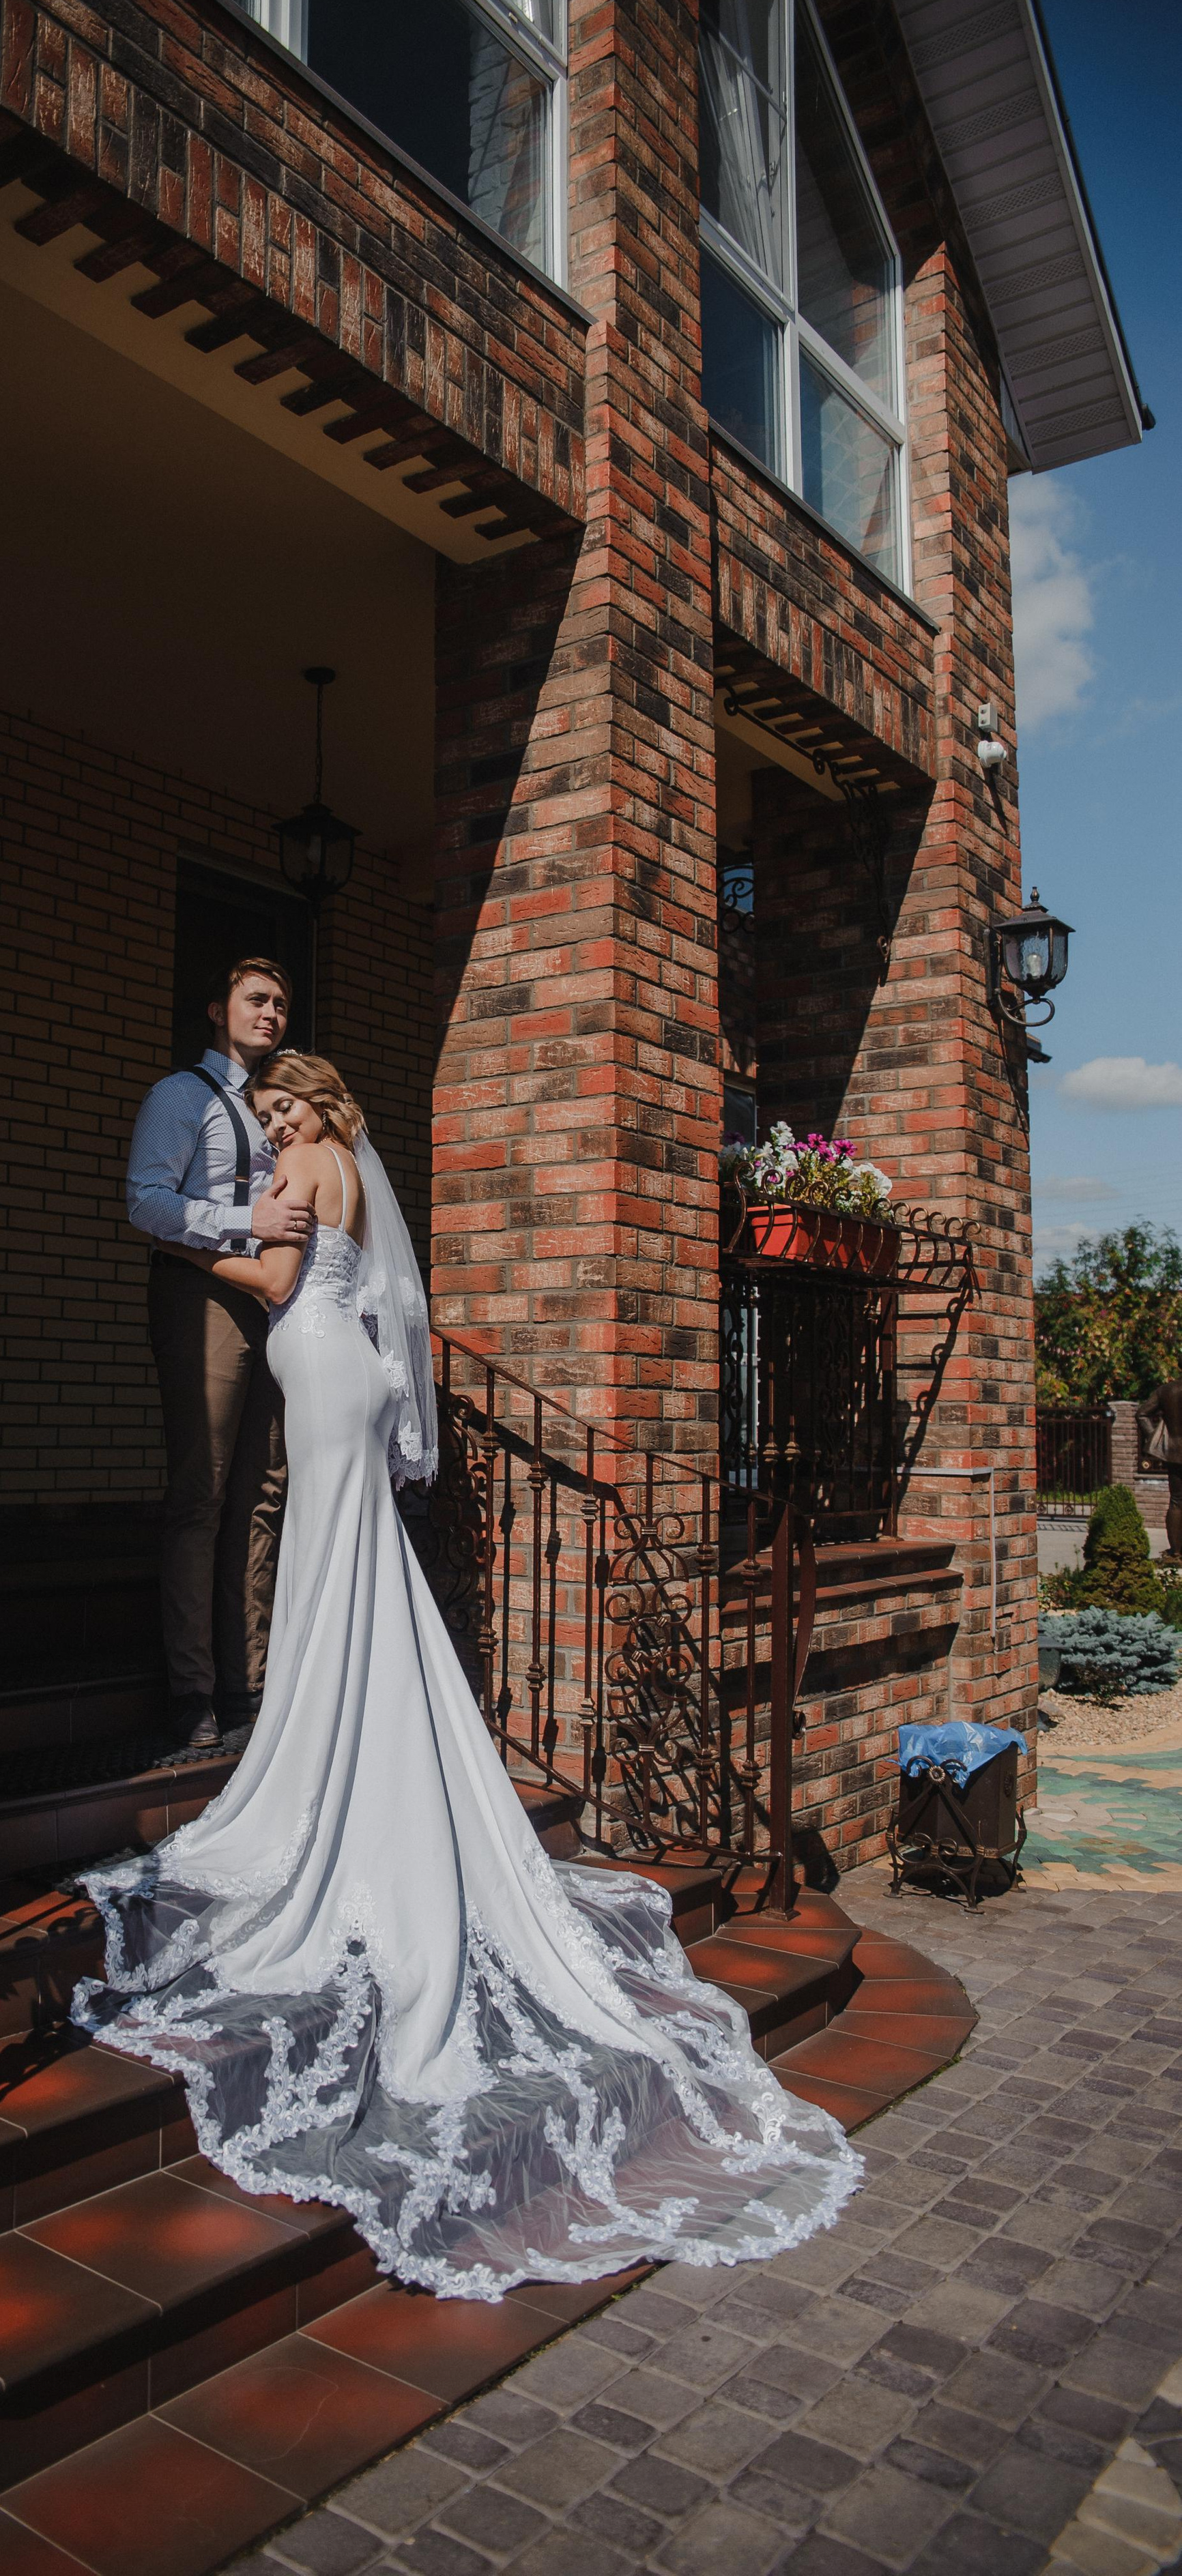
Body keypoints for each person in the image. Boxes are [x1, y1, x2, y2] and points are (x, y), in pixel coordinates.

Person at [80, 1053, 861, 2302]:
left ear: (322, 1109)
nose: (274, 1124)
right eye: (267, 1110)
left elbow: (277, 1276)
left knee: (331, 1565)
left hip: (319, 1364)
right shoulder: (347, 1166)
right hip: (347, 1367)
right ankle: (356, 1724)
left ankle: (332, 1749)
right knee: (350, 1569)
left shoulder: (297, 1171)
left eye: (288, 1108)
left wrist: (190, 1252)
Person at [126, 960, 315, 1755]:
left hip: (273, 1300)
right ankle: (191, 1692)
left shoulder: (279, 1107)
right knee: (201, 1492)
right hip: (200, 1297)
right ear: (217, 1009)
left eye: (280, 1002)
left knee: (263, 1491)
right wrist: (247, 1220)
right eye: (255, 1000)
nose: (271, 1012)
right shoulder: (181, 1097)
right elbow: (144, 1200)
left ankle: (251, 1683)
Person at [1137, 1377, 1182, 1561]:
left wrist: (1155, 1439)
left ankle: (1177, 1551)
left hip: (1174, 1453)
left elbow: (1142, 1414)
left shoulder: (1166, 1390)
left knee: (1177, 1501)